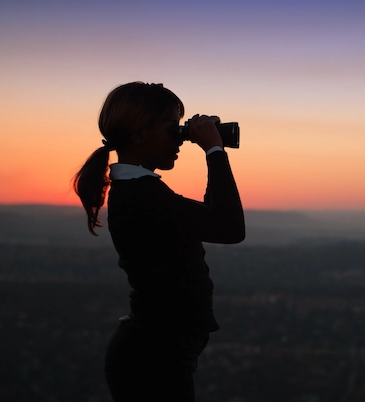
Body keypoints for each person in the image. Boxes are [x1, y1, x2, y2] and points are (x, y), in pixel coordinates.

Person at [72, 82, 245, 401]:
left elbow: (213, 219)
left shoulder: (141, 192)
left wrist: (212, 147)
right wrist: (213, 150)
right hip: (151, 362)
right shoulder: (142, 196)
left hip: (153, 356)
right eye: (171, 127)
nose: (179, 137)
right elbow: (230, 227)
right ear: (139, 134)